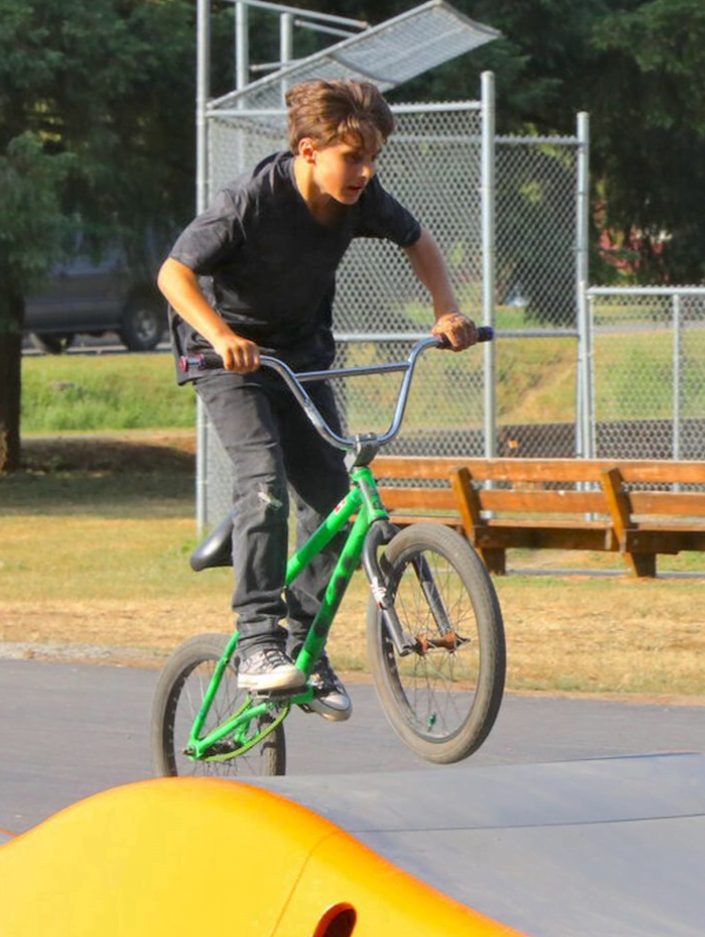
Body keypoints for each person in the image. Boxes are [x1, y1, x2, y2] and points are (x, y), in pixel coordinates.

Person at [158, 78, 477, 722]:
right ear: (308, 150)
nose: (364, 172)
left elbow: (419, 242)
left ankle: (303, 649)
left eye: (371, 159)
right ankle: (256, 642)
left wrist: (447, 312)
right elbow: (174, 272)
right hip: (227, 356)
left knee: (335, 499)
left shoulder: (360, 199)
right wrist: (222, 335)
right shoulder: (250, 202)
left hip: (299, 355)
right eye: (351, 158)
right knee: (264, 480)